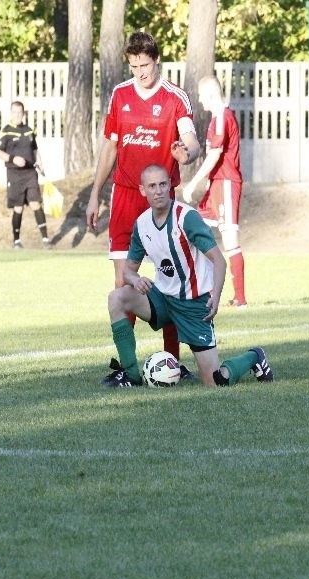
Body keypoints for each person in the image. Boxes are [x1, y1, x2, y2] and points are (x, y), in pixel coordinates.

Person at [85, 31, 201, 379]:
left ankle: (171, 363)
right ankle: (129, 369)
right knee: (124, 284)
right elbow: (110, 148)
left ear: (157, 61)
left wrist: (187, 153)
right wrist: (95, 193)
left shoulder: (174, 98)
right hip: (124, 197)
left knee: (170, 281)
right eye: (134, 65)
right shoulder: (120, 95)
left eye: (145, 65)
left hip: (160, 201)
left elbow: (191, 140)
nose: (140, 72)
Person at [104, 164, 273, 388]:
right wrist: (135, 280)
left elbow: (219, 261)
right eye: (152, 186)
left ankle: (254, 357)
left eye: (163, 184)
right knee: (117, 297)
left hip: (195, 305)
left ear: (171, 186)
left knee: (215, 382)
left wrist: (216, 296)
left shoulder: (186, 218)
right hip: (162, 298)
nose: (158, 191)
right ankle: (132, 375)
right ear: (142, 190)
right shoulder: (142, 224)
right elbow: (128, 269)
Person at [182, 76, 247, 308]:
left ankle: (240, 298)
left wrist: (193, 183)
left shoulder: (222, 118)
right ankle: (204, 290)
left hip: (227, 184)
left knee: (230, 240)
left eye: (201, 95)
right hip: (216, 184)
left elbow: (215, 156)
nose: (200, 101)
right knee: (195, 231)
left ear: (210, 94)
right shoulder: (216, 119)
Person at [0, 101, 52, 250]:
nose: (17, 115)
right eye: (14, 113)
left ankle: (46, 239)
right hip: (14, 175)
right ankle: (16, 241)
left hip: (30, 173)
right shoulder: (6, 131)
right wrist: (13, 159)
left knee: (36, 204)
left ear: (24, 113)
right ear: (11, 113)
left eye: (20, 113)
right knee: (18, 207)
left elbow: (35, 149)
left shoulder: (28, 130)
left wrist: (40, 164)